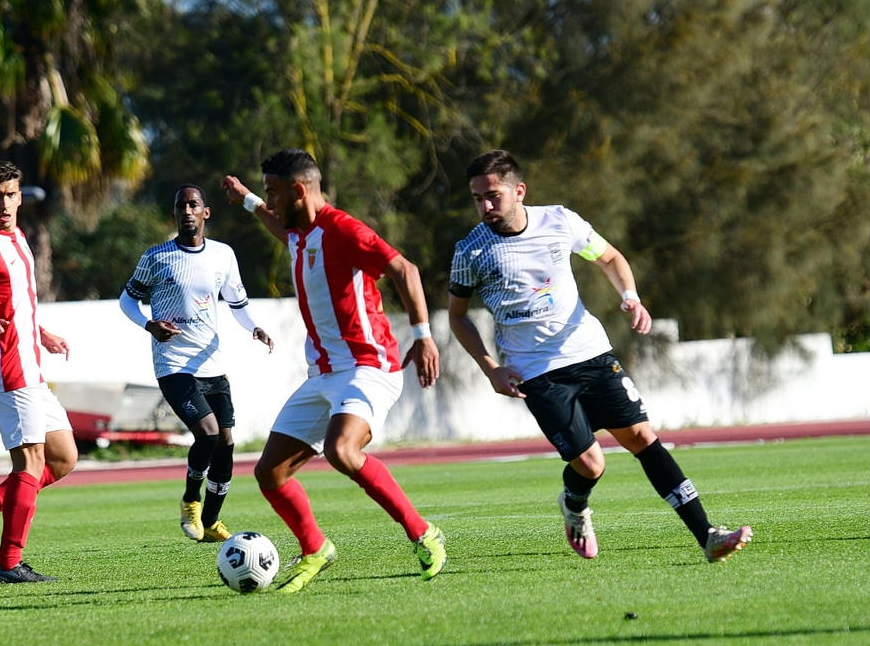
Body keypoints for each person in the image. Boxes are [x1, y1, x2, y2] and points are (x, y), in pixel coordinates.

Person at [448, 149, 752, 562]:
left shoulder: (559, 221)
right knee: (591, 464)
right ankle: (574, 504)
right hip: (536, 373)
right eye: (477, 198)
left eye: (493, 196)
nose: (485, 206)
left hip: (590, 352)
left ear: (519, 191)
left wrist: (630, 296)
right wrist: (491, 369)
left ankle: (708, 536)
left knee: (643, 438)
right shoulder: (470, 251)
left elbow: (608, 256)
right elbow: (458, 317)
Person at [222, 148, 446, 593]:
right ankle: (316, 549)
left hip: (368, 365)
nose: (270, 201)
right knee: (270, 473)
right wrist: (247, 198)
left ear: (298, 190)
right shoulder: (299, 233)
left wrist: (423, 335)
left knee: (342, 450)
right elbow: (276, 225)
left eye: (273, 192)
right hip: (323, 372)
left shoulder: (343, 229)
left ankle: (424, 534)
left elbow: (405, 269)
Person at [120, 184, 274, 543]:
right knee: (207, 432)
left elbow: (237, 303)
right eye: (181, 206)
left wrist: (255, 327)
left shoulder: (223, 255)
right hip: (174, 365)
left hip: (212, 363)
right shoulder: (156, 257)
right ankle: (190, 500)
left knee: (226, 442)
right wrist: (149, 325)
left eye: (193, 205)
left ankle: (211, 521)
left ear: (206, 212)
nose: (187, 211)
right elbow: (127, 301)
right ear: (175, 213)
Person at [0, 160, 78, 584]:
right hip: (5, 369)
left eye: (10, 195)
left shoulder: (18, 237)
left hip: (31, 366)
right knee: (31, 462)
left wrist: (41, 333)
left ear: (20, 197)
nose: (4, 204)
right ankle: (8, 564)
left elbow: (17, 304)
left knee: (63, 458)